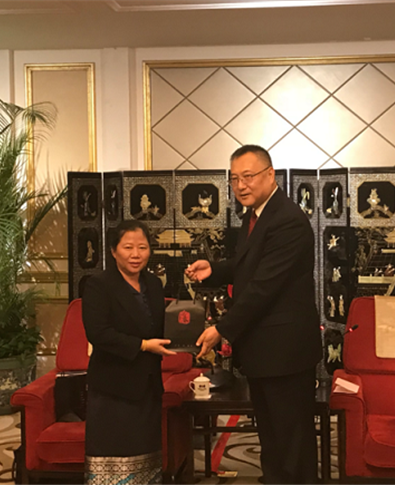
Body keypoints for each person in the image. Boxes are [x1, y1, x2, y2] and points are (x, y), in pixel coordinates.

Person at [185, 145, 322, 484]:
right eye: (234, 179)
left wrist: (222, 328)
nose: (241, 185)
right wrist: (214, 270)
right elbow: (249, 264)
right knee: (272, 436)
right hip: (265, 350)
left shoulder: (287, 219)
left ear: (270, 174)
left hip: (286, 352)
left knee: (291, 439)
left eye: (248, 176)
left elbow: (264, 286)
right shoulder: (255, 214)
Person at [82, 220, 175, 485]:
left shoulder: (153, 284)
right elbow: (98, 333)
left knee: (146, 457)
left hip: (147, 385)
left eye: (142, 247)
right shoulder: (99, 285)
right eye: (128, 247)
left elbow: (161, 326)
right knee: (113, 457)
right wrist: (143, 345)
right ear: (113, 251)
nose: (136, 254)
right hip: (113, 388)